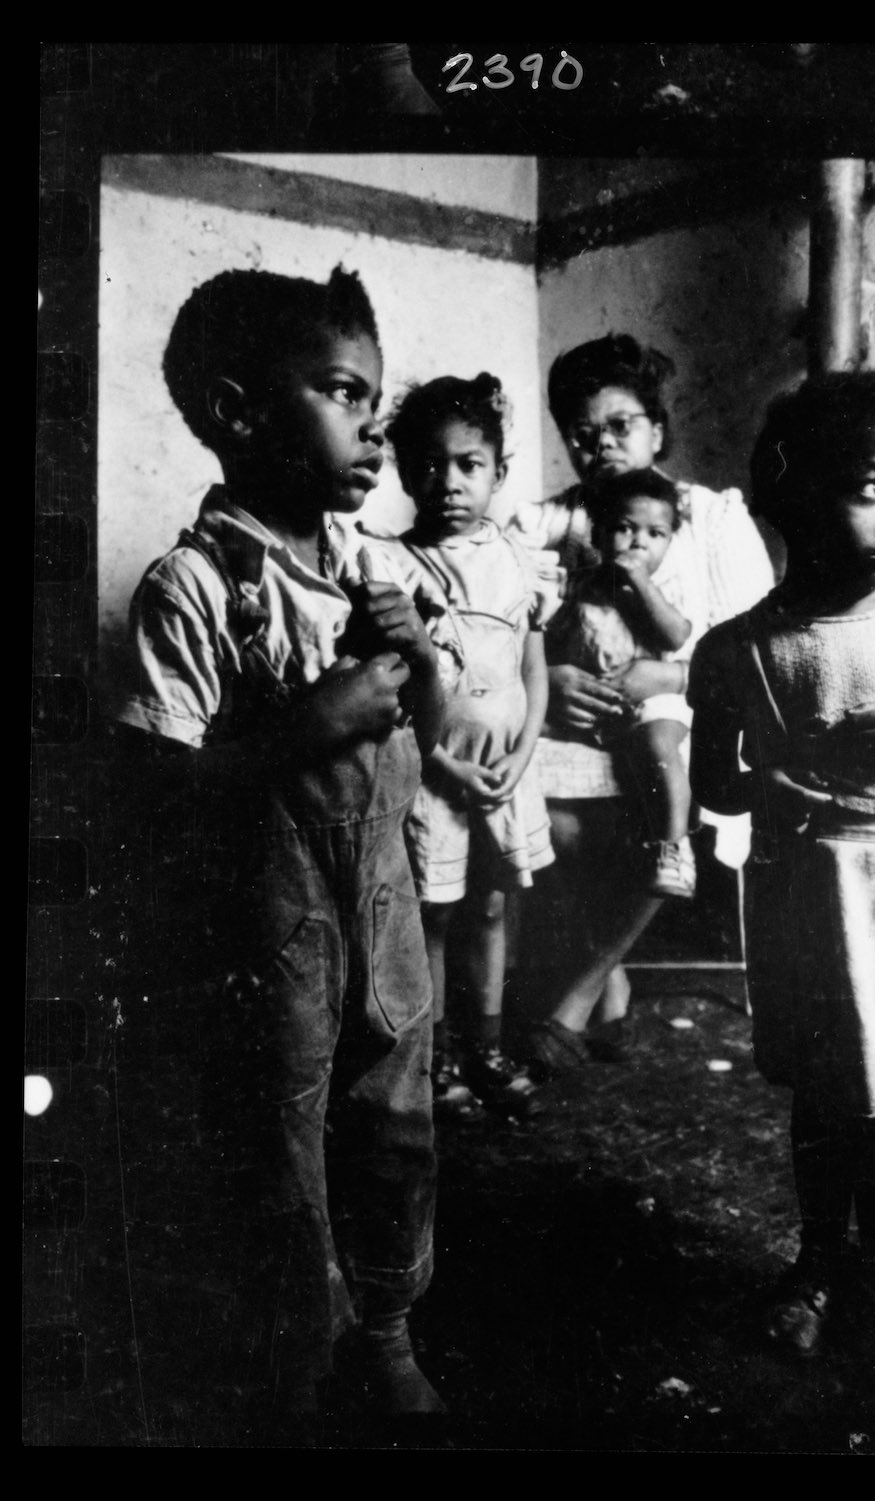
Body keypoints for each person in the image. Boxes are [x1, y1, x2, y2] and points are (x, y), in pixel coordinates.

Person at [112, 265, 448, 1443]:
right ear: (241, 410)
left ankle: (388, 1328)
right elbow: (153, 793)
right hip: (270, 936)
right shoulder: (191, 587)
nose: (374, 423)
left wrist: (421, 659)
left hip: (387, 918)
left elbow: (435, 737)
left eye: (377, 397)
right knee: (280, 1140)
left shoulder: (379, 568)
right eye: (345, 393)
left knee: (395, 1123)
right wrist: (306, 724)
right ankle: (299, 1353)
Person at [688, 369, 875, 1372]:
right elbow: (716, 781)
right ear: (790, 488)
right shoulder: (735, 650)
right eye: (871, 487)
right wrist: (768, 792)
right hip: (805, 893)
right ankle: (813, 1264)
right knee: (821, 1096)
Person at [510, 332, 774, 1078]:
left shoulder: (709, 518)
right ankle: (615, 978)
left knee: (665, 794)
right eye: (583, 433)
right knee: (549, 819)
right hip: (577, 717)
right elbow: (502, 636)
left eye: (621, 425)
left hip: (683, 717)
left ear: (657, 430)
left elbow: (754, 649)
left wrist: (665, 678)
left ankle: (584, 989)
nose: (601, 446)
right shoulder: (547, 525)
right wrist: (552, 683)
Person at [390, 374, 553, 1119]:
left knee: (490, 908)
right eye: (429, 465)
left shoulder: (521, 560)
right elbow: (394, 696)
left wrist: (520, 758)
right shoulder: (392, 566)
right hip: (435, 774)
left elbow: (533, 670)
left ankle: (485, 1046)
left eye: (468, 465)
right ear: (403, 471)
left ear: (497, 471)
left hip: (503, 772)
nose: (449, 482)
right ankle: (435, 1056)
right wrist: (441, 761)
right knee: (436, 914)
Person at [544, 467, 700, 898]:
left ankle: (672, 846)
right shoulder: (576, 586)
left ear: (671, 541)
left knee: (660, 743)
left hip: (650, 699)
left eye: (656, 534)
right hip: (593, 702)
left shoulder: (662, 588)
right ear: (598, 534)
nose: (638, 543)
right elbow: (552, 638)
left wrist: (643, 585)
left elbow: (676, 636)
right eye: (625, 529)